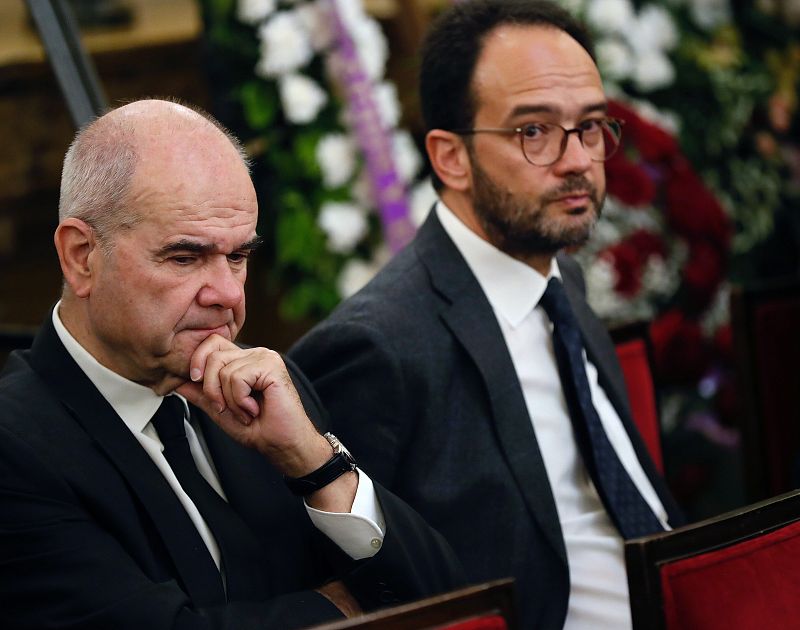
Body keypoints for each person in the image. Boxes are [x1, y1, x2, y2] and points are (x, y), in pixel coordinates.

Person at [289, 1, 684, 628]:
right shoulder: (375, 346)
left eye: (589, 126)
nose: (578, 160)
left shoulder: (560, 280)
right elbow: (367, 588)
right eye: (534, 131)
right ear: (450, 157)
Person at [0, 99, 464, 629]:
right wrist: (349, 607)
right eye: (184, 257)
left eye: (238, 257)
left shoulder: (268, 392)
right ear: (81, 256)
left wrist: (313, 460)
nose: (227, 294)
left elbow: (449, 602)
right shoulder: (15, 446)